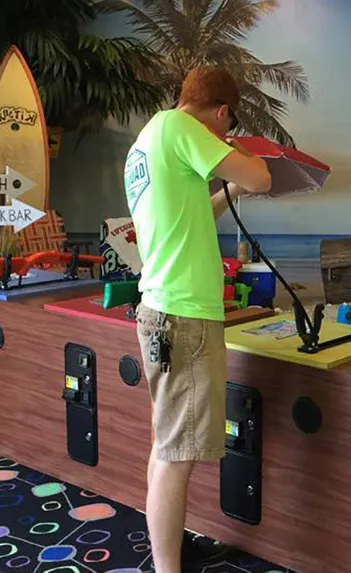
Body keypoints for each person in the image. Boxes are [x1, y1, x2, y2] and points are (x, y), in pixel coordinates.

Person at [124, 66, 272, 573]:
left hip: (162, 309)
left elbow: (192, 214)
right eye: (225, 131)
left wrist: (229, 193)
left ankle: (171, 550)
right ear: (221, 113)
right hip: (184, 316)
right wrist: (248, 164)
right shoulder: (182, 127)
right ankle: (168, 566)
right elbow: (261, 175)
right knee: (175, 456)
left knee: (166, 447)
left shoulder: (148, 141)